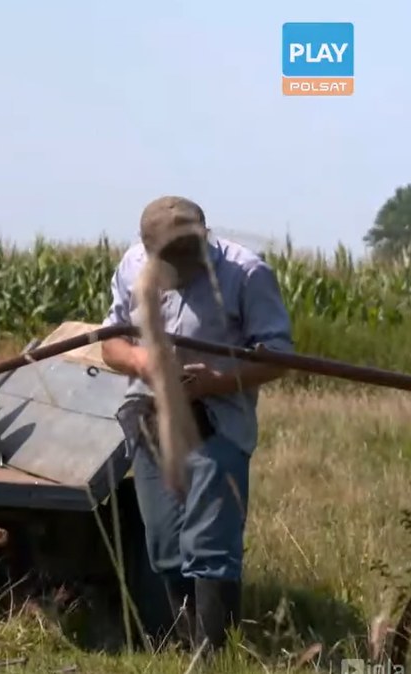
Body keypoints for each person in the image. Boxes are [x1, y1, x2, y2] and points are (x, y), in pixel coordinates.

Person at [99, 196, 294, 652]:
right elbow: (111, 343)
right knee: (165, 544)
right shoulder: (132, 266)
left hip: (218, 421)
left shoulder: (247, 274)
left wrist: (217, 382)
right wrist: (142, 360)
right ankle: (180, 646)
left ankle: (214, 656)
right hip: (150, 418)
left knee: (209, 544)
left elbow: (279, 357)